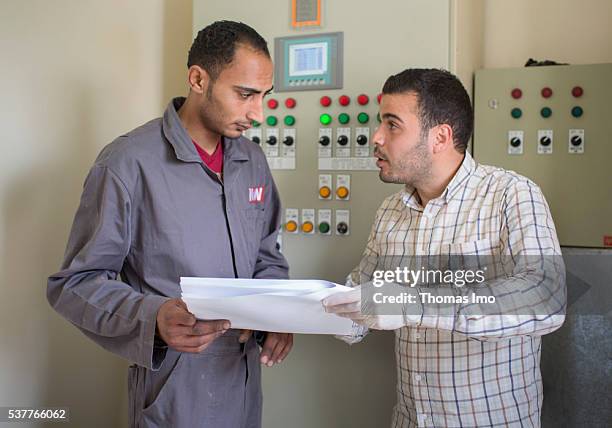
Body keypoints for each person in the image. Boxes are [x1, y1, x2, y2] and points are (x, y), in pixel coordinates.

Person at [47, 21, 292, 427]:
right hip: (175, 389)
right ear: (198, 79)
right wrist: (154, 316)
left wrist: (278, 316)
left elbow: (267, 257)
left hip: (244, 384)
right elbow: (76, 283)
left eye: (265, 96)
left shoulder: (253, 162)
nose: (258, 113)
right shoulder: (128, 163)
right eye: (245, 94)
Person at [323, 68, 566, 427]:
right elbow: (362, 299)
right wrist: (300, 312)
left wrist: (413, 304)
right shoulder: (391, 212)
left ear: (440, 137)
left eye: (392, 124)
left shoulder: (510, 194)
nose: (376, 137)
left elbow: (544, 298)